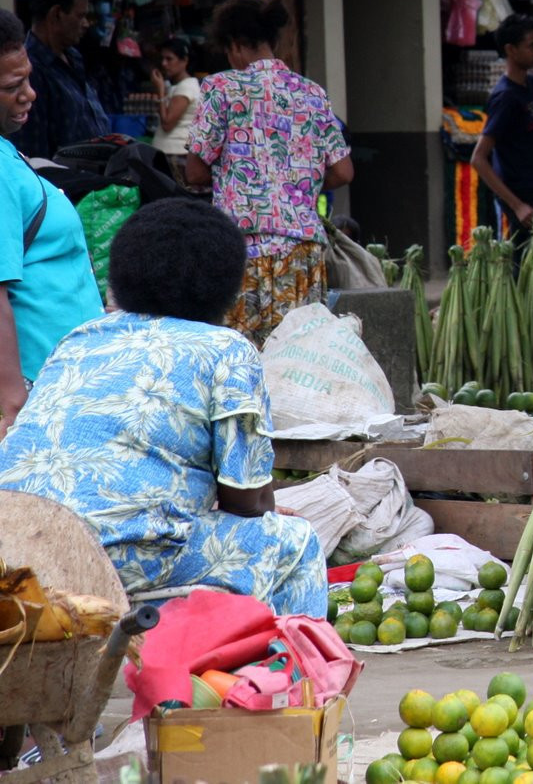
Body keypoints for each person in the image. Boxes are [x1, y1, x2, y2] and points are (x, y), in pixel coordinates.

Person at [0, 199, 325, 615]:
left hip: (15, 550)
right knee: (296, 544)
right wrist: (268, 508)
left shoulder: (81, 338)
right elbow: (244, 501)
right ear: (227, 284)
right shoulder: (225, 350)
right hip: (120, 558)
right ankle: (294, 676)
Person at [186, 0, 353, 345]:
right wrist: (292, 188)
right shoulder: (311, 92)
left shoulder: (222, 88)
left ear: (234, 45)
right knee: (296, 358)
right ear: (273, 42)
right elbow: (343, 171)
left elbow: (196, 172)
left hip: (242, 248)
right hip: (302, 251)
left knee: (244, 357)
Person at [0, 9, 103, 432]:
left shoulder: (8, 153)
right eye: (12, 86)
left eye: (27, 78)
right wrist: (12, 403)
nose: (31, 94)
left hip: (63, 379)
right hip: (36, 392)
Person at [471, 16, 533, 242]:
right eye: (532, 46)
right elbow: (478, 159)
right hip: (518, 193)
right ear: (511, 50)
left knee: (530, 259)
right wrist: (517, 206)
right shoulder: (505, 97)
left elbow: (523, 135)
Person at [9, 0, 106, 161]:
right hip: (61, 185)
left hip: (94, 182)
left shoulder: (74, 58)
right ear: (56, 14)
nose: (86, 24)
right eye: (80, 16)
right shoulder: (30, 69)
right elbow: (34, 151)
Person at [149, 36, 202, 178]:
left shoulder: (186, 87)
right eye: (162, 59)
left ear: (184, 60)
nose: (164, 64)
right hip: (169, 153)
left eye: (169, 59)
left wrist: (160, 89)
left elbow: (167, 123)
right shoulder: (177, 87)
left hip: (176, 155)